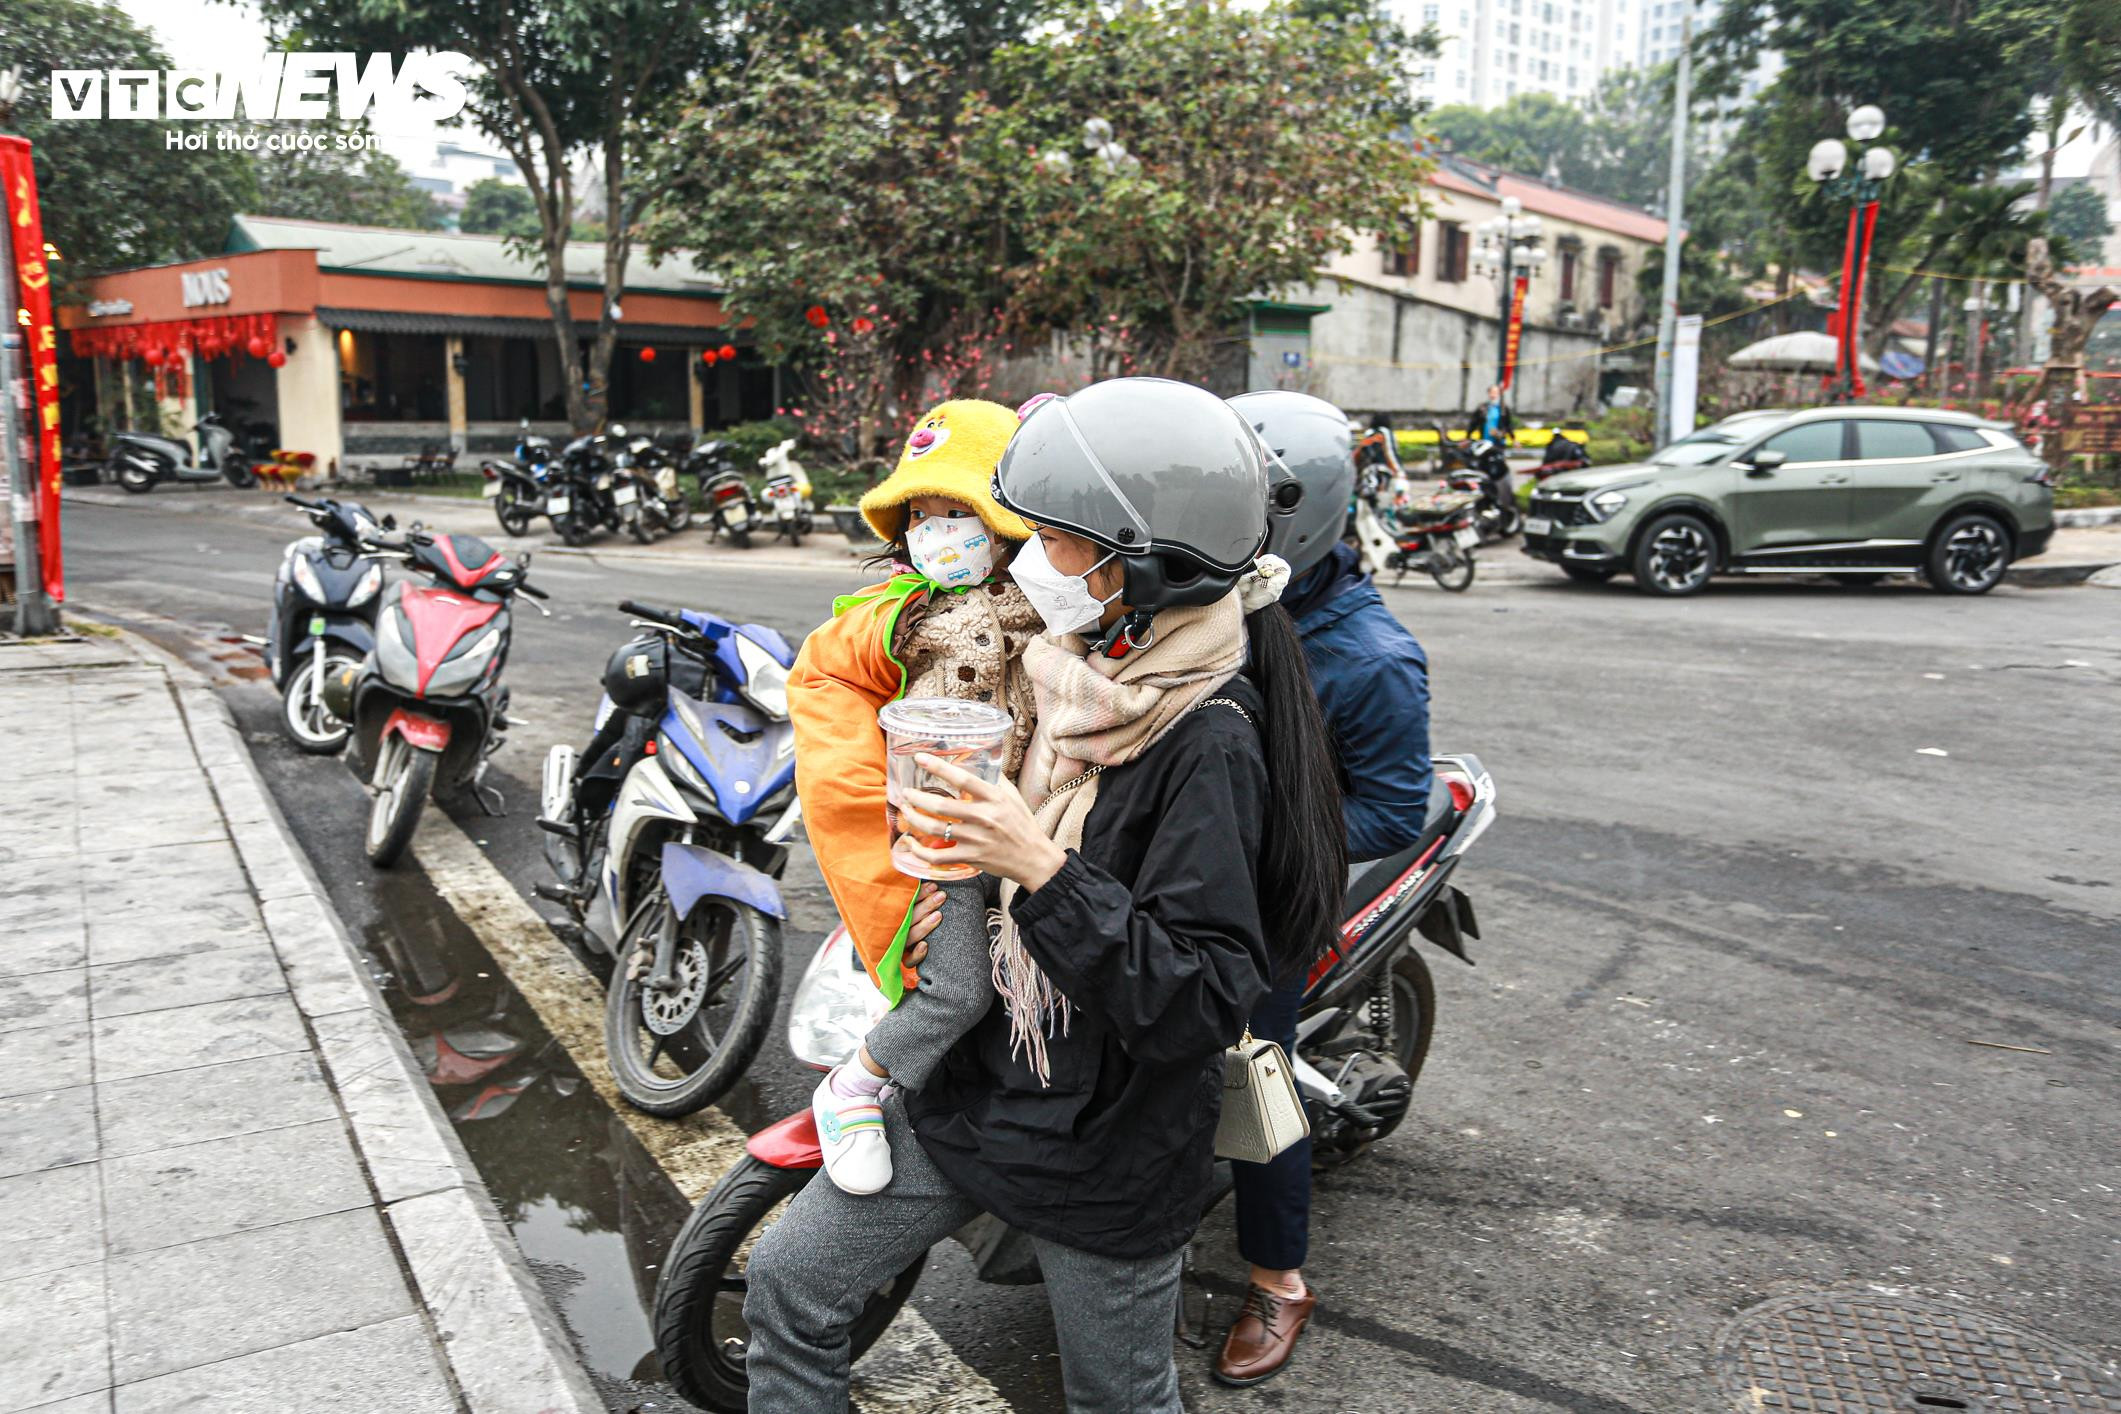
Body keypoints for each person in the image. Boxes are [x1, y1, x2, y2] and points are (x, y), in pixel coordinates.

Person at [742, 377, 1348, 1412]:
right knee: (788, 1286)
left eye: (1060, 540)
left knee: (1119, 1397)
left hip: (1104, 1152)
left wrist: (1040, 868)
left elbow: (1200, 1001)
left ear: (1138, 565)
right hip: (973, 1098)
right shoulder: (1066, 665)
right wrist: (955, 879)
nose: (1031, 559)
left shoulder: (1208, 741)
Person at [1216, 390, 1435, 1387]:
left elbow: (1392, 811)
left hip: (1271, 896)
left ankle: (1277, 1275)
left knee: (1250, 1069)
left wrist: (1252, 839)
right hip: (1187, 870)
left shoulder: (1372, 658)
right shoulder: (1209, 591)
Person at [783, 398, 1042, 1195]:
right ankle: (853, 1088)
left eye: (957, 510)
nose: (937, 530)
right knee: (956, 988)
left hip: (1031, 826)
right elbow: (827, 684)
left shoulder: (1052, 600)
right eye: (920, 514)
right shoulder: (900, 616)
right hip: (944, 834)